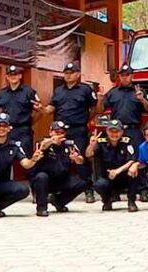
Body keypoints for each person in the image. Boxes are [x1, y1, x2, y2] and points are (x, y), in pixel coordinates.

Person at [43, 62, 99, 203]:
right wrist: (41, 109)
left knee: (80, 158)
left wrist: (85, 119)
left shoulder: (85, 89)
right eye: (66, 73)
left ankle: (88, 189)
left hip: (78, 129)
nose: (68, 75)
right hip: (60, 131)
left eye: (71, 72)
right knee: (60, 159)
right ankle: (61, 189)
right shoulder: (58, 91)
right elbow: (51, 108)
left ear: (78, 74)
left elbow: (94, 108)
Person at [99, 63, 148, 201]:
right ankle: (115, 191)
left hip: (134, 130)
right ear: (119, 77)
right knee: (115, 159)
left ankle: (142, 190)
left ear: (132, 76)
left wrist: (142, 99)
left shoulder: (139, 91)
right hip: (116, 132)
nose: (125, 78)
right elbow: (101, 109)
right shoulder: (113, 92)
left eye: (127, 75)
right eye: (122, 75)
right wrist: (100, 99)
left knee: (138, 159)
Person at [29, 120, 88, 217]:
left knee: (83, 183)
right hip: (45, 180)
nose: (59, 135)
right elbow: (42, 146)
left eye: (62, 132)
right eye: (57, 132)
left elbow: (81, 160)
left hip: (62, 178)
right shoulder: (43, 142)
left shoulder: (69, 144)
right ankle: (41, 208)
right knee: (41, 177)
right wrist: (52, 140)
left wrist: (76, 158)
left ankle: (58, 202)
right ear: (50, 132)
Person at [85, 119, 142, 212]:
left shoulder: (127, 141)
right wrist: (91, 145)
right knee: (99, 184)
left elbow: (131, 160)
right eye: (111, 131)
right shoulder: (101, 141)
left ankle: (131, 202)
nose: (114, 134)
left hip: (124, 176)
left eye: (117, 131)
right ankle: (107, 201)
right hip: (108, 178)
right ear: (107, 131)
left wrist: (117, 171)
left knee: (134, 170)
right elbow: (88, 155)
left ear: (122, 132)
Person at [0, 65, 43, 157]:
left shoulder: (29, 92)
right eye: (10, 75)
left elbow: (39, 111)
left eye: (15, 74)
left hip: (23, 132)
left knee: (24, 159)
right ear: (7, 77)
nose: (13, 77)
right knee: (4, 158)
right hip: (6, 131)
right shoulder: (2, 93)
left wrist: (31, 122)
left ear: (20, 76)